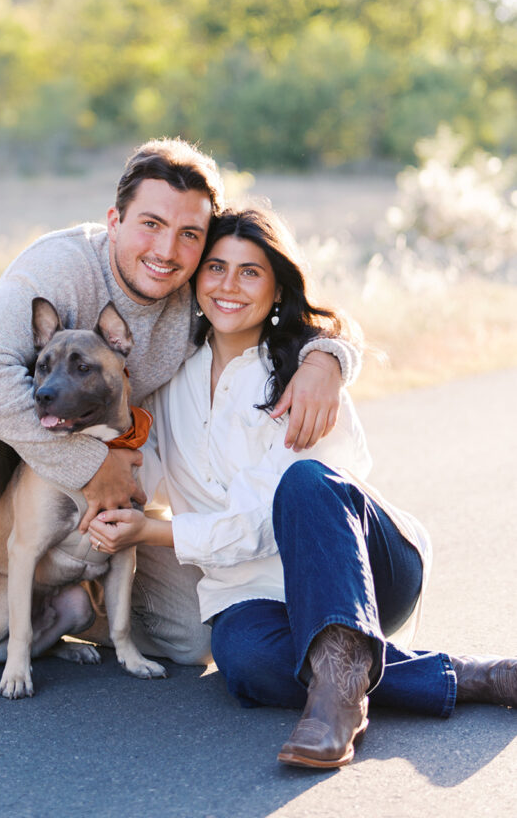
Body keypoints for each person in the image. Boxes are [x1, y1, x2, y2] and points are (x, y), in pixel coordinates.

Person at [0, 139, 360, 697]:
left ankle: (67, 610)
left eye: (189, 234)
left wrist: (328, 356)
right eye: (151, 224)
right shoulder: (61, 265)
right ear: (114, 220)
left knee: (192, 641)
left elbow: (285, 304)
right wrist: (89, 465)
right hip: (11, 452)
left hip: (122, 458)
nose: (166, 250)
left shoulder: (198, 290)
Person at [89, 205, 517, 769]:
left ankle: (338, 708)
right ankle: (467, 675)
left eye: (250, 272)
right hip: (253, 595)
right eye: (215, 268)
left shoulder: (303, 371)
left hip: (363, 568)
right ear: (194, 280)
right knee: (243, 663)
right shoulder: (169, 380)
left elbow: (269, 521)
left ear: (276, 288)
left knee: (304, 481)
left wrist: (155, 532)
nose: (229, 286)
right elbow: (147, 465)